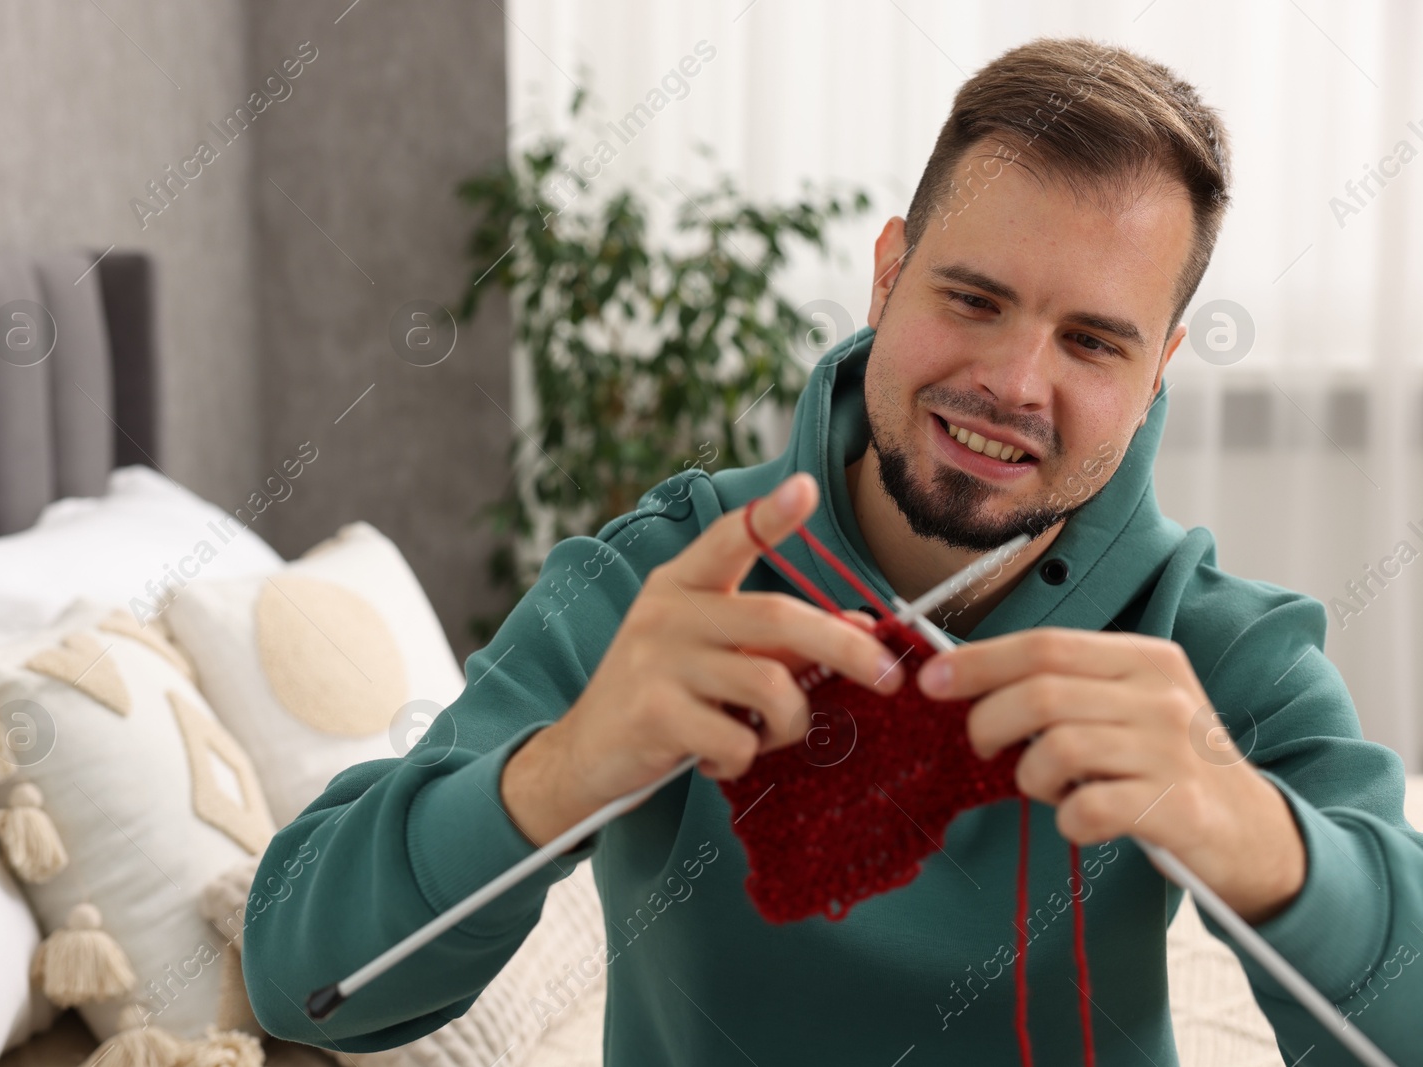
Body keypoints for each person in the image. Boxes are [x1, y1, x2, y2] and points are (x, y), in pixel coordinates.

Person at [242, 36, 1423, 1065]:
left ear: (1158, 367)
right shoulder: (658, 587)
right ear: (887, 271)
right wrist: (566, 766)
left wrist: (1262, 846)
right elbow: (309, 984)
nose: (1014, 382)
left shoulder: (1221, 649)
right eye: (972, 299)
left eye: (1092, 342)